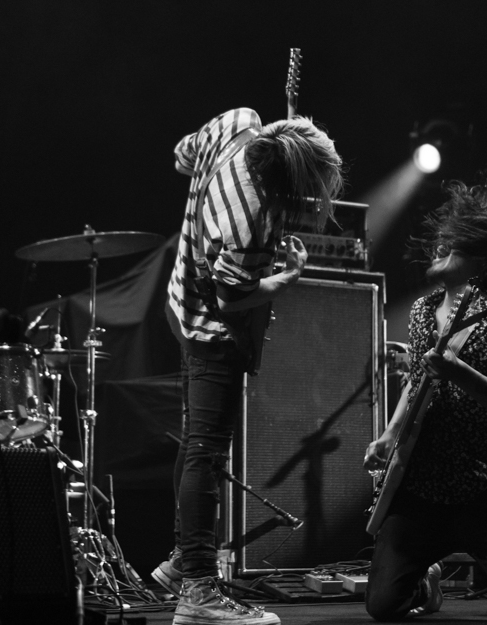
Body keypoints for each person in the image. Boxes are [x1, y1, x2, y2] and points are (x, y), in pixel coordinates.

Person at [153, 107, 344, 625]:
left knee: (198, 443)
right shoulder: (251, 217)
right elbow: (232, 297)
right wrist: (287, 278)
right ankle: (198, 591)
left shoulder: (238, 121)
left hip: (180, 303)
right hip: (211, 330)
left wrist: (205, 207)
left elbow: (181, 157)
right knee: (207, 453)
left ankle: (181, 560)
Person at [363, 179, 487, 623]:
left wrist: (460, 372)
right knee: (382, 607)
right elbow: (416, 383)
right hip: (421, 490)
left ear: (482, 257)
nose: (439, 245)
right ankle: (426, 577)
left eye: (453, 242)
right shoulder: (421, 311)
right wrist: (389, 435)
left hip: (485, 490)